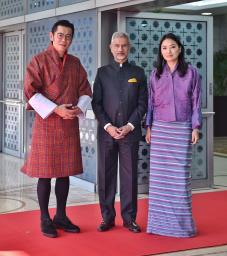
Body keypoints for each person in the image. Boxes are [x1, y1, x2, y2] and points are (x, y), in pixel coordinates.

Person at [21, 20, 92, 238]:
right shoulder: (38, 60)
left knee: (64, 173)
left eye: (68, 36)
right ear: (51, 36)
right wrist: (56, 109)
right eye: (60, 35)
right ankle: (44, 217)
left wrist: (76, 110)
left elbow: (86, 90)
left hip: (68, 121)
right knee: (45, 174)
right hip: (47, 122)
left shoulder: (75, 63)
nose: (64, 39)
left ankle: (61, 215)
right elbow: (30, 92)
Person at [145, 33, 202, 238]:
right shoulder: (155, 74)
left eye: (172, 47)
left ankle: (181, 227)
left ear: (179, 48)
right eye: (164, 48)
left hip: (181, 129)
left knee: (179, 179)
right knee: (160, 180)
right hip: (160, 129)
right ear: (160, 52)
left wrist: (195, 127)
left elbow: (196, 101)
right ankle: (158, 225)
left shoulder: (191, 73)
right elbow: (150, 103)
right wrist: (149, 127)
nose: (168, 51)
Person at [92, 32, 148, 233]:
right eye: (116, 45)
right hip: (107, 133)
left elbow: (143, 104)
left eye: (124, 45)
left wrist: (130, 126)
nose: (120, 49)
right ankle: (107, 217)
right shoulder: (102, 73)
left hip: (130, 133)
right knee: (105, 175)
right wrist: (108, 126)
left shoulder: (139, 73)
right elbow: (96, 104)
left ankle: (129, 218)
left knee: (129, 177)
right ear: (110, 47)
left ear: (129, 47)